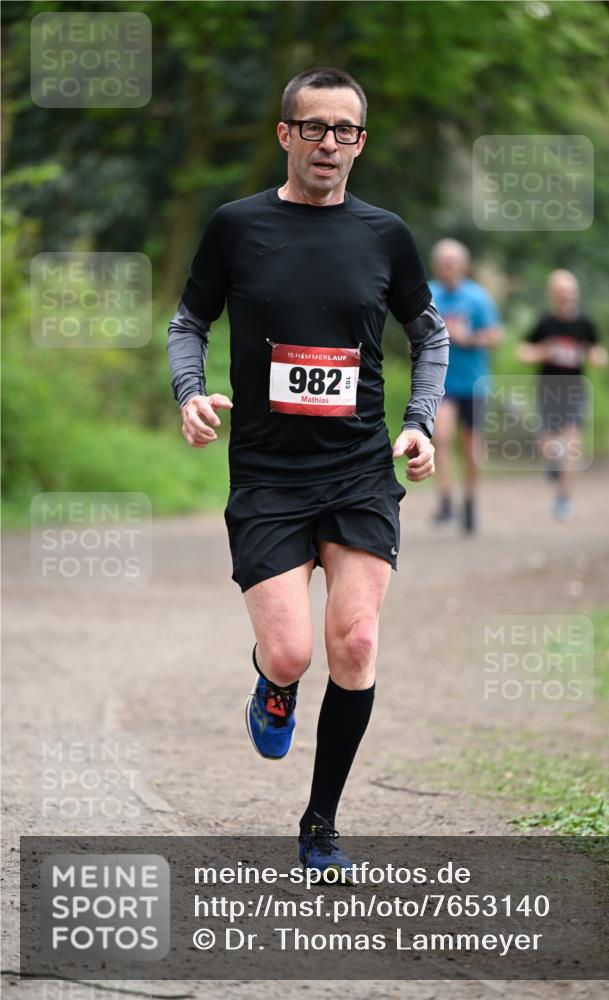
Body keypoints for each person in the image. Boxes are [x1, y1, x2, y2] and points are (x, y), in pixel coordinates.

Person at [167, 67, 449, 879]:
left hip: (359, 468)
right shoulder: (237, 226)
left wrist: (419, 421)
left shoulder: (385, 235)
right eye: (314, 127)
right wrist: (189, 392)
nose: (329, 143)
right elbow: (189, 321)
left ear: (360, 142)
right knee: (291, 652)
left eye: (345, 130)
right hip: (267, 473)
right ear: (285, 134)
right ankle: (274, 684)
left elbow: (429, 336)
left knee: (354, 642)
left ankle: (320, 826)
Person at [517, 269, 608, 521]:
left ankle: (563, 498)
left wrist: (595, 356)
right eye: (561, 292)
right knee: (547, 445)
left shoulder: (585, 324)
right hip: (548, 390)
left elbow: (599, 353)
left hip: (575, 390)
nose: (566, 296)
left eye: (570, 291)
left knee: (572, 444)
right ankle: (554, 460)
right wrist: (541, 353)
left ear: (576, 294)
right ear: (552, 294)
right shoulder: (545, 323)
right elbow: (523, 351)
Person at [429, 240, 502, 533]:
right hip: (440, 382)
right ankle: (446, 499)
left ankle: (470, 500)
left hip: (473, 383)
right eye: (443, 262)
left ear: (463, 265)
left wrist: (467, 338)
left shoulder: (477, 297)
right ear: (436, 265)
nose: (447, 267)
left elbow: (495, 337)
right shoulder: (428, 294)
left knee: (471, 446)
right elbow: (415, 333)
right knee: (440, 437)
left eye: (452, 262)